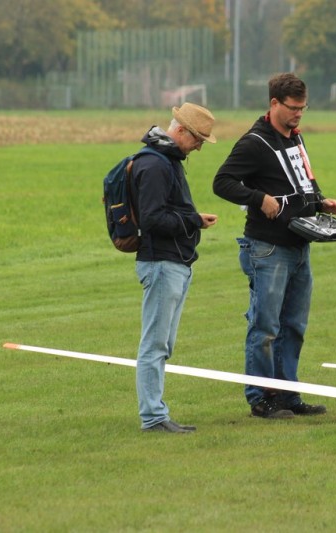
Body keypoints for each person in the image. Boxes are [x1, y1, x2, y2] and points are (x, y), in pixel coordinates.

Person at [213, 73, 336, 419]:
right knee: (265, 327)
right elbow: (222, 182)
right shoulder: (254, 142)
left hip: (300, 244)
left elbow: (300, 181)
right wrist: (259, 198)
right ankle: (261, 398)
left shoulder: (295, 137)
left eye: (303, 108)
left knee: (294, 326)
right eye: (293, 108)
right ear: (274, 103)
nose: (299, 114)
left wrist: (320, 202)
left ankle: (288, 395)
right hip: (268, 248)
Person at [134, 102, 218, 433]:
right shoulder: (155, 165)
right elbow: (152, 219)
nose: (198, 146)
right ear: (180, 130)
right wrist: (192, 220)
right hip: (161, 263)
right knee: (154, 345)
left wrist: (193, 219)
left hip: (174, 261)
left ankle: (156, 413)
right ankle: (153, 417)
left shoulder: (167, 161)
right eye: (197, 139)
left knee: (162, 344)